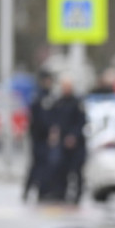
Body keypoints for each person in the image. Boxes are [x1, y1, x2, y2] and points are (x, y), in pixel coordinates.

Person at [42, 75, 87, 203]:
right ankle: (61, 193)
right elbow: (54, 121)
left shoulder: (77, 103)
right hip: (62, 143)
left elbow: (81, 122)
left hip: (77, 144)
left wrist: (73, 136)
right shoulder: (59, 102)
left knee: (77, 171)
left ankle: (77, 196)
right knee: (61, 169)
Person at [22, 70, 54, 202]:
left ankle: (42, 192)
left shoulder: (49, 96)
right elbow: (36, 118)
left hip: (47, 137)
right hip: (37, 136)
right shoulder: (38, 96)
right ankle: (28, 190)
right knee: (36, 165)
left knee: (45, 165)